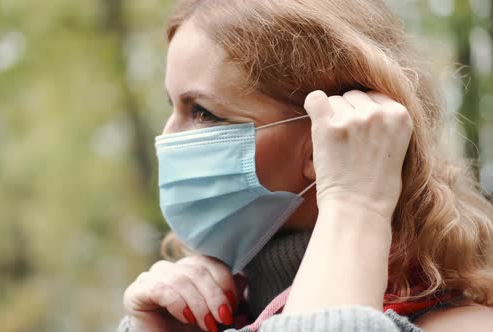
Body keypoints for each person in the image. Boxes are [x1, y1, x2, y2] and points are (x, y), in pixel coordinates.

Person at [119, 0, 493, 331]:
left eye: (204, 112)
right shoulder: (208, 313)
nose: (168, 138)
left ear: (328, 136)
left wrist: (355, 206)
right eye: (174, 106)